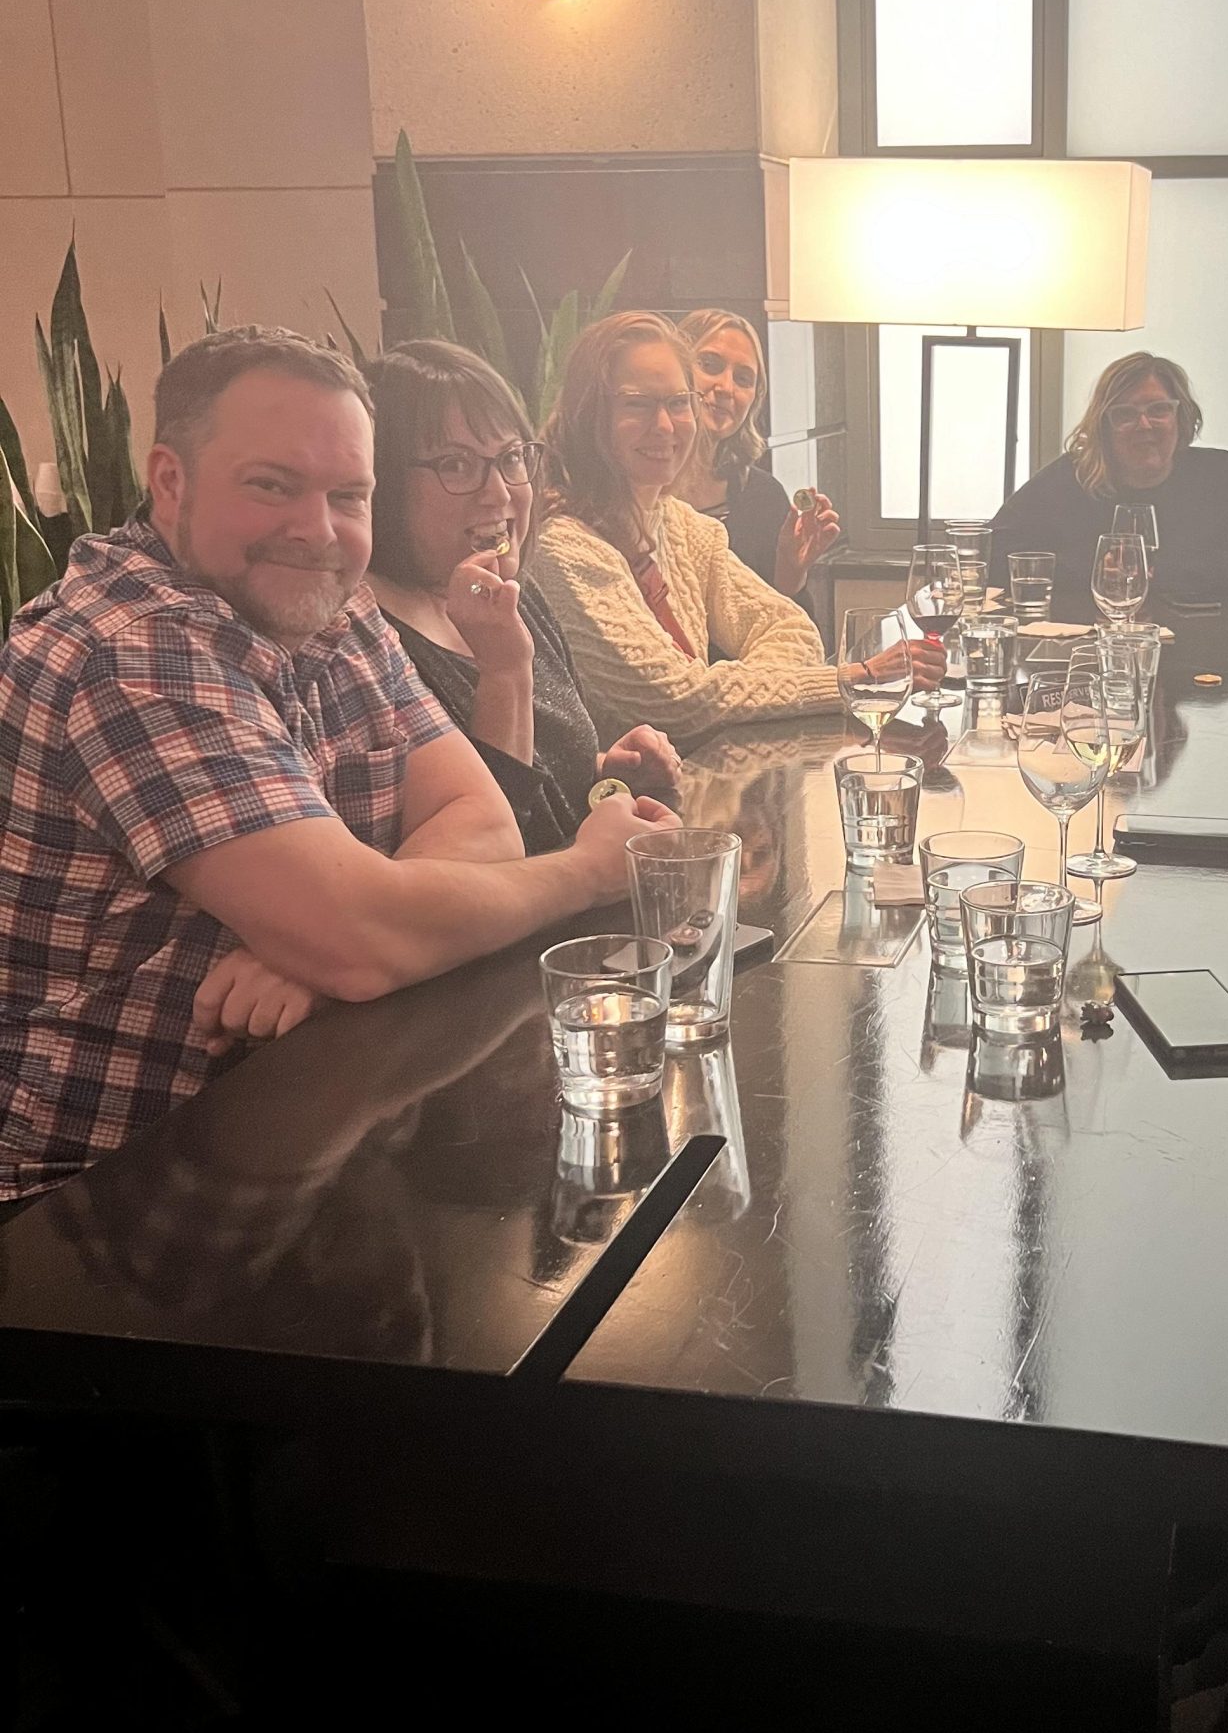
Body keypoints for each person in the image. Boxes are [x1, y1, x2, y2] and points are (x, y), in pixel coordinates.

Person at [0, 328, 667, 1200]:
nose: (317, 530)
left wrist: (328, 939)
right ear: (170, 481)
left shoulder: (336, 603)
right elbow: (361, 940)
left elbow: (482, 821)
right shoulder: (133, 652)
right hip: (109, 1195)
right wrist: (587, 870)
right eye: (271, 485)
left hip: (314, 1124)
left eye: (347, 494)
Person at [532, 312, 940, 743]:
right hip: (638, 786)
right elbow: (677, 700)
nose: (665, 426)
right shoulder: (563, 546)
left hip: (715, 763)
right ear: (587, 415)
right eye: (637, 404)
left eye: (677, 403)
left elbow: (795, 630)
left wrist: (725, 694)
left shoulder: (684, 525)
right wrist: (854, 678)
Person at [362, 339, 681, 854]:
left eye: (511, 458)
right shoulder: (370, 643)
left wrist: (605, 774)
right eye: (457, 465)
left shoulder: (517, 593)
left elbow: (541, 785)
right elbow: (486, 846)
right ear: (384, 482)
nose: (499, 492)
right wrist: (504, 671)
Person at [986, 351, 1228, 619]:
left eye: (1158, 410)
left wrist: (1165, 572)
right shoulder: (1071, 477)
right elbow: (991, 555)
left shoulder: (1226, 475)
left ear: (1181, 417)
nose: (1144, 425)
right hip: (1090, 653)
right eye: (1125, 414)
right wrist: (1096, 571)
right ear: (1104, 425)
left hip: (1210, 653)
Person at [672, 308, 841, 602]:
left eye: (743, 378)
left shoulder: (763, 496)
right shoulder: (636, 493)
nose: (726, 387)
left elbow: (787, 620)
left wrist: (791, 571)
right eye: (710, 365)